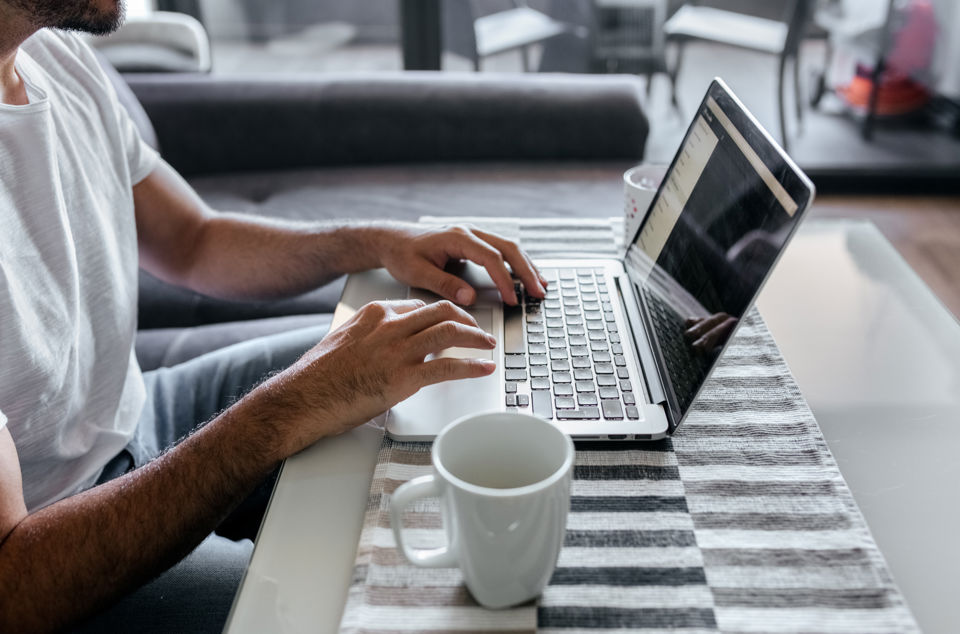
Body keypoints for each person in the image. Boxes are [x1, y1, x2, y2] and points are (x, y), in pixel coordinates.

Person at [0, 1, 548, 630]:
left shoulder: (57, 56)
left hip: (138, 410)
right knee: (322, 611)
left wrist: (374, 241)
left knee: (432, 360)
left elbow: (193, 239)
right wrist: (285, 410)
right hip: (54, 532)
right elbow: (12, 582)